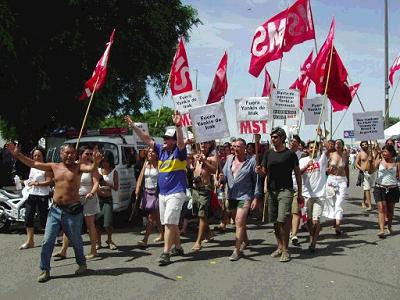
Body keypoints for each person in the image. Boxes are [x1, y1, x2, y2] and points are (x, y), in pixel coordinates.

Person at [6, 142, 102, 283]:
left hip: (72, 211)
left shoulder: (78, 168)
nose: (69, 155)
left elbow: (90, 168)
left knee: (76, 241)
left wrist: (96, 162)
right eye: (66, 153)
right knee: (47, 241)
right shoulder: (54, 166)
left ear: (75, 155)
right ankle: (45, 269)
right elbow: (33, 163)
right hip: (56, 210)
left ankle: (82, 263)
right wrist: (17, 155)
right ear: (61, 154)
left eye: (72, 153)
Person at [124, 111, 187, 266]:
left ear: (173, 141)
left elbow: (180, 142)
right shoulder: (161, 150)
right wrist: (133, 126)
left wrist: (178, 126)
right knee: (169, 223)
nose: (164, 140)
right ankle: (178, 247)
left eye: (167, 138)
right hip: (163, 194)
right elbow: (146, 138)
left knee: (169, 223)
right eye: (164, 138)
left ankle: (166, 253)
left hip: (176, 193)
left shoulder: (179, 152)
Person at [260, 127, 303, 262]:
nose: (273, 139)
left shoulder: (290, 154)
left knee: (282, 220)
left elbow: (297, 173)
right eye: (272, 137)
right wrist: (259, 171)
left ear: (282, 138)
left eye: (276, 137)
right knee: (275, 222)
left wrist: (300, 192)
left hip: (286, 190)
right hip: (272, 191)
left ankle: (286, 250)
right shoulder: (268, 154)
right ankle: (279, 246)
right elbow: (264, 172)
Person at [53, 145, 101, 259]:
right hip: (74, 200)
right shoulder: (74, 166)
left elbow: (96, 183)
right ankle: (63, 250)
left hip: (88, 199)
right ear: (80, 155)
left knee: (90, 225)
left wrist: (92, 193)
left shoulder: (91, 167)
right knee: (68, 225)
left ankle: (93, 250)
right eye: (87, 154)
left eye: (90, 154)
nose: (89, 156)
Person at [222, 138, 262, 261]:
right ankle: (246, 241)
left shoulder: (251, 162)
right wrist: (221, 179)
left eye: (238, 146)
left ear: (245, 148)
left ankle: (236, 250)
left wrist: (256, 197)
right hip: (232, 196)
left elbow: (256, 180)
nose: (235, 148)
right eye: (234, 146)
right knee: (239, 222)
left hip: (245, 196)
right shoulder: (229, 160)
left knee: (239, 222)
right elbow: (224, 176)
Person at [19, 146, 53, 250]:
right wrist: (22, 182)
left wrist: (37, 183)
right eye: (34, 155)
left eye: (39, 155)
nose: (36, 157)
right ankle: (30, 241)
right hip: (32, 194)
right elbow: (31, 180)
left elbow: (49, 181)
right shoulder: (33, 167)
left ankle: (50, 239)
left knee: (43, 219)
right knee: (28, 216)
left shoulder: (46, 167)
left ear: (43, 156)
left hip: (42, 195)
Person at [299, 141, 328, 253]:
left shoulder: (322, 159)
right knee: (308, 221)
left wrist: (321, 136)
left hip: (319, 195)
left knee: (316, 221)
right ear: (307, 149)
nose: (313, 149)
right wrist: (307, 166)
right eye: (311, 148)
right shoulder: (303, 160)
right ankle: (312, 235)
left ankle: (313, 241)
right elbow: (299, 173)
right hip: (307, 194)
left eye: (316, 147)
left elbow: (328, 147)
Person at [191, 141, 218, 252]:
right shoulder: (195, 156)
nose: (203, 144)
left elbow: (214, 170)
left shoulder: (212, 157)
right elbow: (192, 169)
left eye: (206, 143)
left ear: (210, 145)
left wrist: (204, 161)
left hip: (205, 189)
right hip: (195, 189)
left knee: (202, 215)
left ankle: (198, 241)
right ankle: (208, 232)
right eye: (201, 143)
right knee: (199, 214)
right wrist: (192, 163)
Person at [137, 147, 164, 248]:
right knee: (156, 217)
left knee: (151, 217)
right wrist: (137, 188)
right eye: (149, 152)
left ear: (156, 154)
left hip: (156, 193)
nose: (150, 154)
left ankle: (145, 239)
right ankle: (162, 234)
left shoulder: (160, 165)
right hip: (146, 192)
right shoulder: (146, 164)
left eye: (152, 152)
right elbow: (141, 176)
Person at [372, 144, 399, 238]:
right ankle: (382, 230)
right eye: (383, 151)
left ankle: (389, 226)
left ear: (391, 153)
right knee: (381, 209)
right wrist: (372, 160)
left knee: (390, 210)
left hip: (393, 188)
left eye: (385, 152)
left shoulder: (396, 163)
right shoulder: (379, 161)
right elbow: (371, 170)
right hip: (380, 188)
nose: (383, 153)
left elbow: (399, 176)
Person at [323, 139, 349, 235]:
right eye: (336, 143)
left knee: (339, 202)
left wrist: (348, 180)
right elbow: (324, 168)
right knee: (332, 202)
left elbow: (346, 169)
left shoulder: (345, 155)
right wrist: (328, 170)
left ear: (342, 145)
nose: (338, 145)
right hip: (331, 180)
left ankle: (338, 225)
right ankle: (335, 221)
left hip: (342, 180)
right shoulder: (330, 154)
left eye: (340, 143)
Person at [96, 150, 119, 250]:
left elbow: (116, 187)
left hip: (108, 199)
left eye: (107, 161)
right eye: (103, 160)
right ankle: (98, 241)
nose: (105, 163)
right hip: (98, 199)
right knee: (97, 221)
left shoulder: (114, 172)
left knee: (108, 222)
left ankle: (109, 240)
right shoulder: (98, 171)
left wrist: (106, 183)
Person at [289, 134, 303, 246]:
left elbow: (300, 172)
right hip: (285, 186)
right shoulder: (283, 153)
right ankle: (289, 230)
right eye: (291, 141)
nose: (292, 143)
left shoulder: (302, 155)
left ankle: (294, 234)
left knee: (296, 211)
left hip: (296, 186)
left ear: (298, 144)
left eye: (295, 141)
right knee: (287, 212)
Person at [355, 141, 376, 211]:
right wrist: (361, 168)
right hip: (364, 173)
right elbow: (356, 163)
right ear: (361, 146)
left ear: (368, 145)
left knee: (367, 188)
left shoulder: (371, 152)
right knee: (367, 189)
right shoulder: (360, 154)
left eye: (365, 144)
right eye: (363, 145)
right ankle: (369, 205)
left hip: (372, 172)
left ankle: (363, 201)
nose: (364, 146)